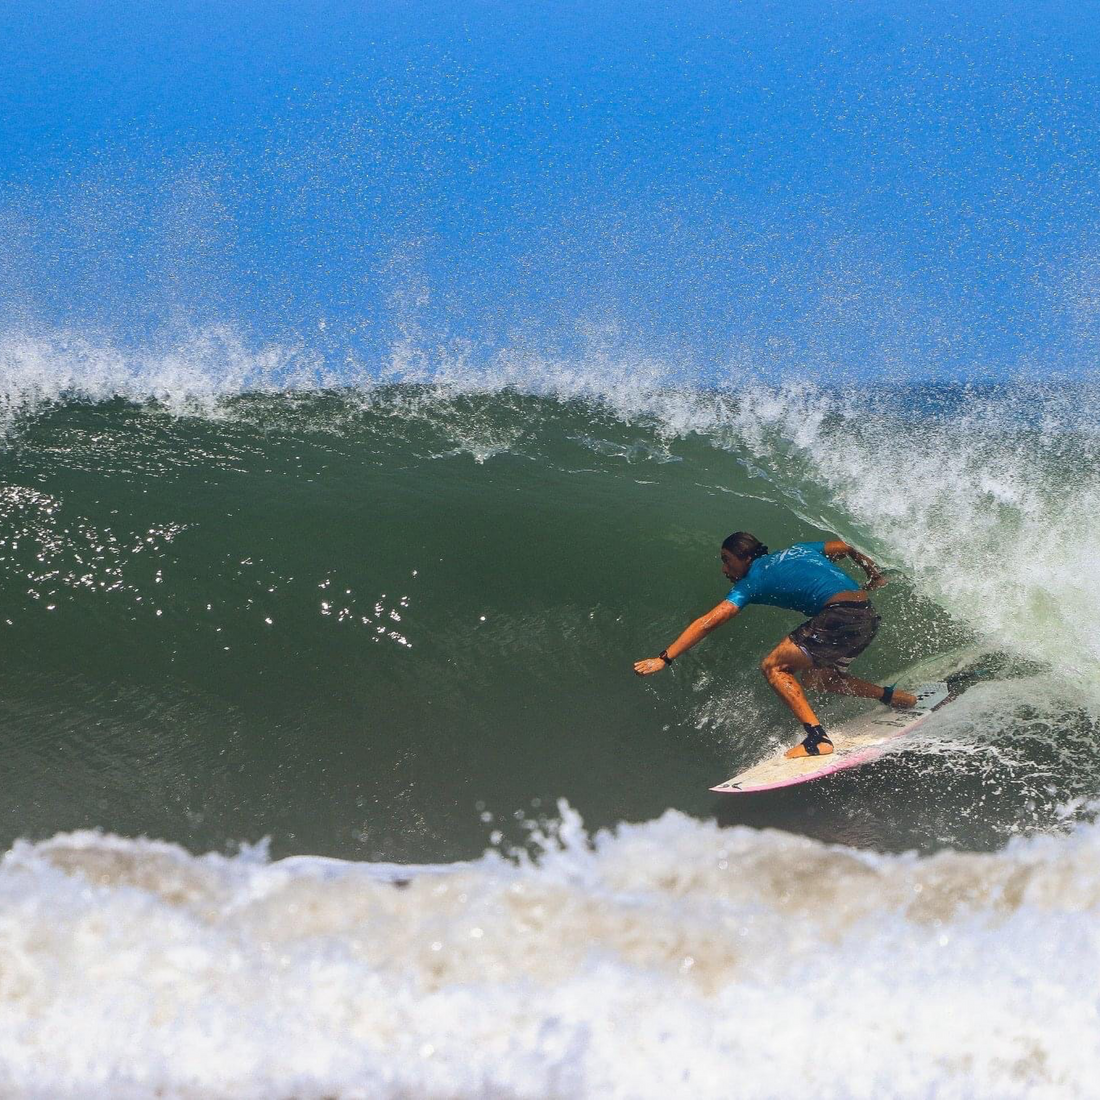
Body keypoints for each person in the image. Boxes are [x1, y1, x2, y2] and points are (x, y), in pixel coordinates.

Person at [633, 532, 917, 758]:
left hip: (838, 615)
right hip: (866, 615)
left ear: (744, 558)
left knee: (774, 667)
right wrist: (873, 575)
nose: (724, 568)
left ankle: (817, 739)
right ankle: (895, 698)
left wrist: (665, 658)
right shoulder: (800, 549)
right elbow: (845, 545)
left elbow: (708, 622)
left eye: (727, 559)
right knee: (819, 679)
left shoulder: (750, 582)